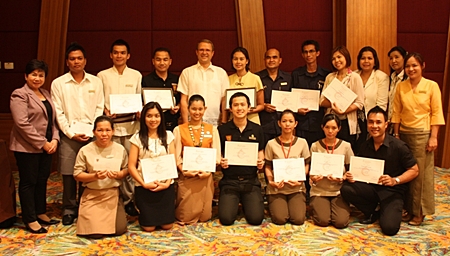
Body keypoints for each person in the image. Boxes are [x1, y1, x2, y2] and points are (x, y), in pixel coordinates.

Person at [341, 106, 419, 236]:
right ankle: (372, 210)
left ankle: (386, 209)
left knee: (390, 229)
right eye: (371, 122)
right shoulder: (365, 145)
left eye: (378, 122)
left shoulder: (399, 146)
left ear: (386, 124)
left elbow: (414, 170)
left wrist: (395, 180)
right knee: (346, 188)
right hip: (371, 189)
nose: (374, 126)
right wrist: (351, 175)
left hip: (392, 192)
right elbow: (359, 170)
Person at [51, 42, 104, 225]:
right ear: (67, 62)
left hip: (91, 134)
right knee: (68, 173)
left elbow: (99, 107)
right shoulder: (58, 84)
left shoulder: (96, 82)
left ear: (85, 61)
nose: (76, 62)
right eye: (72, 59)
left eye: (79, 58)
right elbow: (58, 112)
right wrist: (70, 133)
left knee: (88, 172)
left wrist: (93, 131)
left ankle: (84, 206)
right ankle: (68, 208)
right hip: (69, 135)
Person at [391, 52, 445, 226]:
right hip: (404, 133)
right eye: (408, 66)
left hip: (423, 134)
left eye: (414, 65)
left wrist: (434, 137)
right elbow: (396, 112)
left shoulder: (431, 86)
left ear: (423, 66)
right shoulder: (401, 86)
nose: (411, 69)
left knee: (420, 175)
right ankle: (408, 208)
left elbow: (437, 112)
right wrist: (397, 135)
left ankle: (419, 211)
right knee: (404, 172)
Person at [10, 59, 60, 233]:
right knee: (28, 182)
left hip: (47, 146)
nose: (37, 78)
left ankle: (40, 212)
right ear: (26, 76)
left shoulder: (45, 93)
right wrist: (43, 143)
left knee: (42, 180)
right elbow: (22, 123)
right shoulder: (19, 94)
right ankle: (29, 218)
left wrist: (54, 139)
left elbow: (53, 120)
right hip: (27, 147)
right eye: (33, 74)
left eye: (41, 75)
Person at [97, 39, 142, 217]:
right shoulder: (102, 75)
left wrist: (140, 110)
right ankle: (113, 198)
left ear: (128, 55)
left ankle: (130, 200)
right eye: (116, 52)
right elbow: (99, 100)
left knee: (130, 166)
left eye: (122, 53)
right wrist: (105, 111)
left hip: (132, 127)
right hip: (111, 128)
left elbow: (140, 98)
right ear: (110, 55)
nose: (119, 56)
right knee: (113, 164)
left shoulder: (136, 75)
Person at [73, 116, 128, 238]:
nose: (104, 134)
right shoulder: (85, 150)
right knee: (95, 234)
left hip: (112, 193)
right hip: (92, 194)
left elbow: (126, 169)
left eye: (108, 130)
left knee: (119, 229)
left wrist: (119, 174)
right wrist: (94, 176)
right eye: (100, 130)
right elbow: (77, 174)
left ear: (113, 131)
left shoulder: (120, 149)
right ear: (93, 132)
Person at [218, 92, 265, 225]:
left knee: (256, 219)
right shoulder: (222, 130)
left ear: (249, 107)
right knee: (226, 220)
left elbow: (260, 152)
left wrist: (260, 161)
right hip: (230, 181)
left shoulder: (257, 129)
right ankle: (235, 204)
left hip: (250, 181)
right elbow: (219, 153)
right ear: (230, 108)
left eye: (243, 104)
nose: (239, 108)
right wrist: (221, 160)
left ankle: (246, 204)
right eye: (236, 105)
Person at [128, 102, 176, 231]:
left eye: (156, 116)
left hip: (165, 186)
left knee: (167, 226)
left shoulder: (169, 136)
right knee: (148, 228)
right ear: (143, 117)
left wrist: (166, 183)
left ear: (161, 117)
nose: (153, 119)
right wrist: (143, 184)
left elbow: (173, 161)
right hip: (145, 187)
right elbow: (131, 166)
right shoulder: (137, 138)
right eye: (149, 116)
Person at [173, 95, 221, 224]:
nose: (197, 112)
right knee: (185, 217)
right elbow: (176, 156)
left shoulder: (213, 129)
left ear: (205, 109)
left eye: (200, 109)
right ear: (188, 109)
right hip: (187, 175)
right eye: (194, 109)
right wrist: (184, 171)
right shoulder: (179, 130)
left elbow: (216, 155)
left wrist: (209, 172)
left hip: (205, 176)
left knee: (205, 217)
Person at [264, 110, 310, 225]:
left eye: (290, 121)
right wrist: (271, 181)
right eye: (284, 121)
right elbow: (268, 166)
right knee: (280, 219)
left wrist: (300, 180)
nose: (287, 124)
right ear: (279, 123)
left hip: (296, 188)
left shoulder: (302, 142)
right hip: (277, 189)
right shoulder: (271, 144)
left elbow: (306, 164)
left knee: (298, 220)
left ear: (296, 124)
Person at [309, 114, 353, 228]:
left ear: (339, 128)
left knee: (340, 222)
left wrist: (343, 178)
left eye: (334, 128)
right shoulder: (315, 146)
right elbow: (310, 172)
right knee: (323, 221)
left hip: (339, 191)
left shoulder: (346, 146)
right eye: (327, 127)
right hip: (319, 191)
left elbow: (351, 171)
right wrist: (313, 178)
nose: (330, 131)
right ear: (322, 127)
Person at [319, 46, 364, 153]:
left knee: (344, 152)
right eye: (333, 59)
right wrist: (333, 103)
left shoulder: (354, 77)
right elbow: (321, 101)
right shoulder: (330, 77)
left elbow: (360, 103)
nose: (336, 61)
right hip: (330, 122)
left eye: (339, 57)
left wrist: (343, 110)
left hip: (347, 123)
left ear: (346, 58)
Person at [178, 39, 229, 126]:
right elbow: (183, 100)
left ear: (212, 53)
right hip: (192, 122)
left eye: (207, 50)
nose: (204, 52)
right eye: (201, 50)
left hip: (215, 122)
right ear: (196, 52)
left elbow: (224, 100)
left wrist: (224, 122)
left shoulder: (221, 73)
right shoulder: (187, 72)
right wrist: (185, 123)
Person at [291, 40, 330, 147]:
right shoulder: (296, 74)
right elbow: (291, 98)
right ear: (302, 55)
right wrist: (296, 109)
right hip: (301, 123)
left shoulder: (327, 75)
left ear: (318, 53)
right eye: (305, 52)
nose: (308, 55)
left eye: (311, 51)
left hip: (320, 122)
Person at [355, 46, 389, 152]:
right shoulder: (353, 75)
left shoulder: (381, 77)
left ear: (375, 61)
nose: (366, 61)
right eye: (363, 58)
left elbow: (382, 104)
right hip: (354, 120)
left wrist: (373, 122)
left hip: (371, 121)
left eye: (369, 58)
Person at [256, 48, 291, 146]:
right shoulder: (257, 78)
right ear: (264, 60)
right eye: (268, 57)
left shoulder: (288, 78)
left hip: (284, 126)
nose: (271, 60)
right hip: (264, 124)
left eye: (274, 57)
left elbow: (293, 100)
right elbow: (251, 100)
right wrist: (263, 105)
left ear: (280, 60)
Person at [142, 47, 180, 131]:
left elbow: (182, 99)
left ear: (170, 61)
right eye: (158, 60)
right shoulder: (146, 80)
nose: (162, 63)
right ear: (153, 61)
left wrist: (178, 107)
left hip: (172, 123)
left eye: (165, 60)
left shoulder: (176, 79)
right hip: (152, 124)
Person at [226, 47, 264, 124]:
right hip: (233, 121)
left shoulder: (255, 78)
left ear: (247, 61)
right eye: (235, 59)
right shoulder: (227, 79)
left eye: (241, 59)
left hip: (252, 120)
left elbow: (261, 105)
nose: (238, 62)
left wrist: (248, 110)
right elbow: (225, 103)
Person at [387, 46, 408, 133]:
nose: (393, 61)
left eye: (397, 57)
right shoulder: (391, 78)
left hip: (404, 124)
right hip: (391, 123)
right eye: (391, 58)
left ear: (404, 58)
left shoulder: (408, 79)